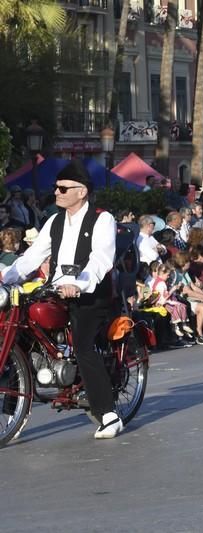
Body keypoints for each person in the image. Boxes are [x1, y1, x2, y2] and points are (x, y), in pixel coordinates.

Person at [1, 160, 123, 439]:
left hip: (90, 294)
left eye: (63, 188)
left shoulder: (102, 218)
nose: (57, 192)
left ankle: (108, 414)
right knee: (20, 333)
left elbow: (101, 258)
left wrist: (80, 283)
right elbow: (32, 257)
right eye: (56, 187)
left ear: (81, 191)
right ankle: (13, 411)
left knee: (82, 345)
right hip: (55, 291)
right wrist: (7, 276)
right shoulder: (54, 221)